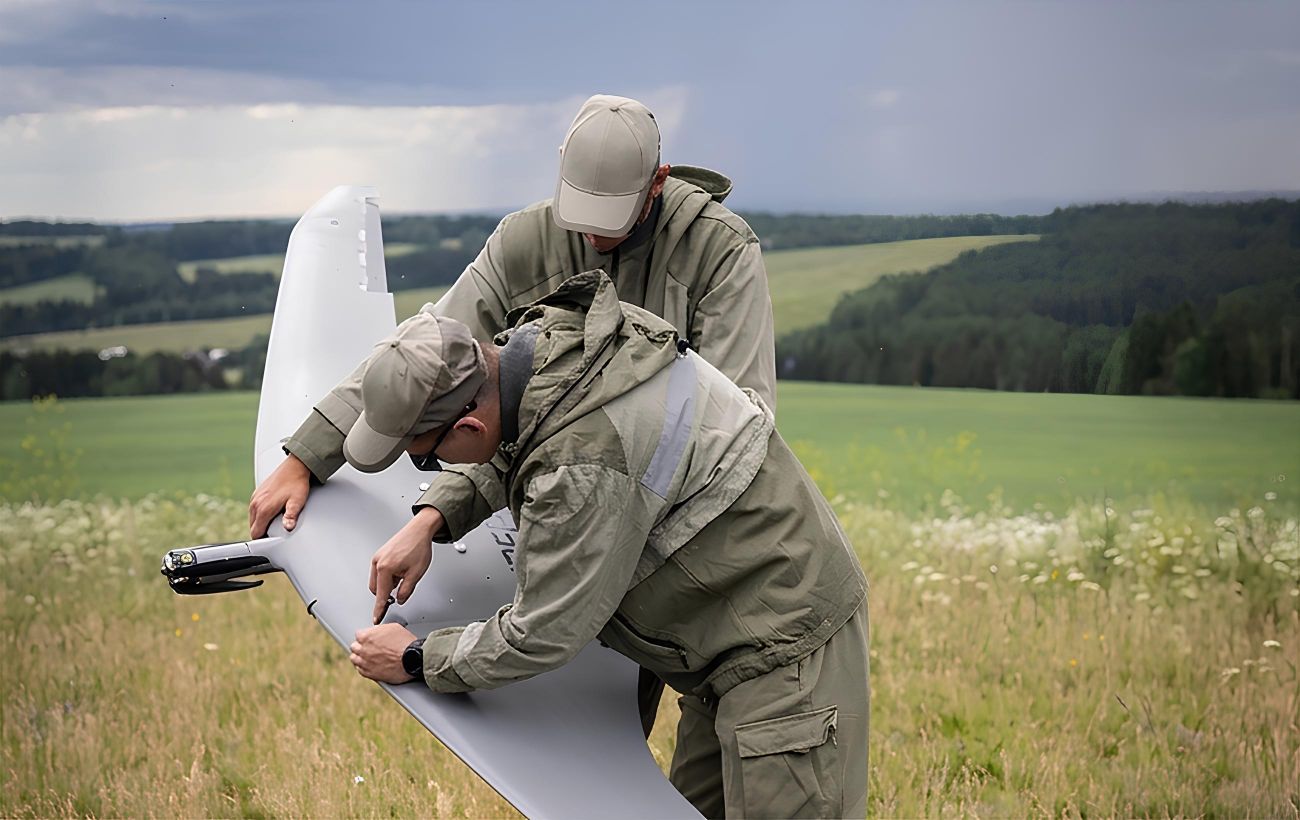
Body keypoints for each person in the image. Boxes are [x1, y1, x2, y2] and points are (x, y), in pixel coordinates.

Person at [248, 93, 778, 736]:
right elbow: (422, 354)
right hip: (566, 513)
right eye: (580, 216)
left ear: (658, 183)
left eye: (611, 220)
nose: (591, 237)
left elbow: (744, 422)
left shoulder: (721, 252)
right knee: (583, 720)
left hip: (674, 540)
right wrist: (308, 454)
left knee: (686, 739)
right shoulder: (525, 240)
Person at [341, 270, 867, 818]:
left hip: (784, 645)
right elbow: (523, 435)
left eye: (427, 456)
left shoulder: (583, 465)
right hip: (728, 641)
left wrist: (418, 657)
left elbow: (542, 632)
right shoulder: (554, 344)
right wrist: (432, 516)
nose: (433, 466)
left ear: (469, 424)